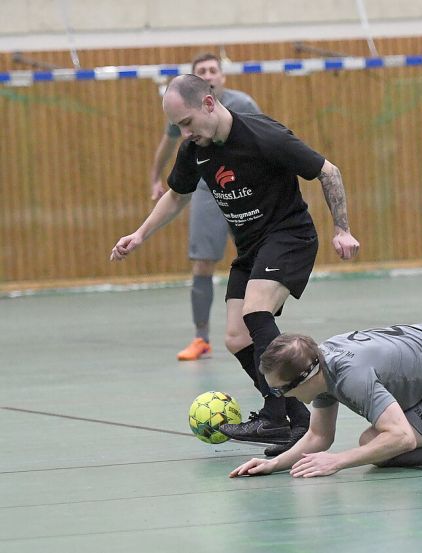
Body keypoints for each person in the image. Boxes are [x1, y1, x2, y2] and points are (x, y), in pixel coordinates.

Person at [111, 74, 361, 457]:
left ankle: (275, 413)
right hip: (251, 249)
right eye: (178, 126)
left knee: (256, 310)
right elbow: (177, 196)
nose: (185, 132)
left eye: (187, 123)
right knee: (236, 337)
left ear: (208, 104)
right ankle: (295, 421)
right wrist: (140, 234)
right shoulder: (195, 149)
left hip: (289, 237)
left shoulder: (263, 136)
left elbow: (329, 171)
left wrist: (342, 229)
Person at [228, 324, 422, 478]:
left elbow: (400, 437)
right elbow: (320, 436)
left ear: (304, 379)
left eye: (281, 390)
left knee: (379, 446)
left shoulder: (352, 377)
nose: (279, 398)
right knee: (376, 439)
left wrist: (338, 461)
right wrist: (274, 464)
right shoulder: (320, 361)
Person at [147, 53, 261, 362]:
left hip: (246, 191)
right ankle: (201, 338)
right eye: (202, 71)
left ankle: (259, 328)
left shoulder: (244, 105)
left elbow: (265, 140)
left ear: (222, 77)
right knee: (202, 262)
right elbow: (169, 143)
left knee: (255, 259)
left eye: (213, 70)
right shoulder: (185, 111)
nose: (209, 75)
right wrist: (156, 176)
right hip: (206, 191)